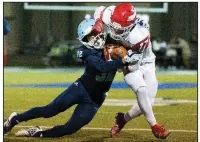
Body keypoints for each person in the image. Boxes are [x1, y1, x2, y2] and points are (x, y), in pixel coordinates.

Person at [4, 18, 136, 138]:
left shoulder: (114, 42)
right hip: (80, 88)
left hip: (95, 100)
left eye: (94, 35)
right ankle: (15, 119)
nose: (94, 39)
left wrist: (129, 57)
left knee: (70, 128)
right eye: (89, 38)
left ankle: (37, 133)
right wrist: (123, 61)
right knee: (49, 110)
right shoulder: (85, 51)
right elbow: (100, 67)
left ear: (100, 31)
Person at [92, 3, 170, 139]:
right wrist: (99, 26)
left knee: (147, 104)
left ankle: (122, 119)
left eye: (119, 29)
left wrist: (117, 54)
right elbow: (98, 11)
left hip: (144, 62)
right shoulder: (109, 14)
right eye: (113, 26)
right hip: (127, 61)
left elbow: (133, 64)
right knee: (141, 90)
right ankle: (155, 126)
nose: (115, 31)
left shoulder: (139, 35)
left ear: (130, 25)